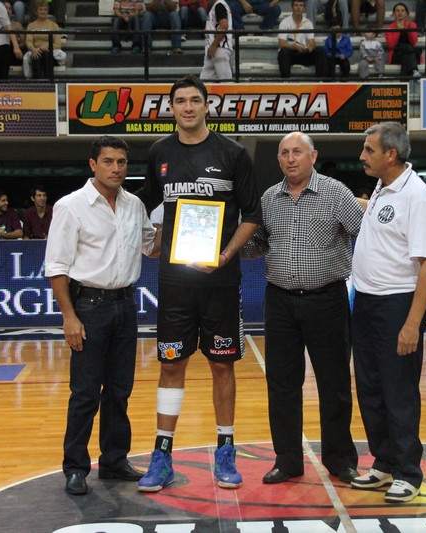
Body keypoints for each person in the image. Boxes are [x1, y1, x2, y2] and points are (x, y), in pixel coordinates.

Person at [134, 75, 262, 493]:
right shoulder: (160, 152)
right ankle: (162, 455)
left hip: (221, 279)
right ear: (171, 108)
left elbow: (252, 215)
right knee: (171, 363)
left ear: (208, 106)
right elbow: (143, 204)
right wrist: (146, 239)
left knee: (222, 364)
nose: (187, 107)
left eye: (194, 100)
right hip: (175, 281)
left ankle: (226, 451)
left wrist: (225, 256)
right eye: (180, 101)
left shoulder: (233, 153)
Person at [239, 132, 362, 486]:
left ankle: (340, 460)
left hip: (327, 300)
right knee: (281, 385)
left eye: (297, 152)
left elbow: (366, 234)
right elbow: (257, 245)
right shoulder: (268, 198)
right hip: (280, 302)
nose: (290, 158)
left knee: (334, 384)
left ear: (313, 156)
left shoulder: (336, 193)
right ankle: (288, 460)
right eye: (284, 153)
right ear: (278, 159)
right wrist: (226, 241)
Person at [44, 136, 161, 496]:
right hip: (89, 308)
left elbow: (151, 248)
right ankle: (75, 467)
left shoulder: (134, 205)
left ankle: (113, 460)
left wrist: (182, 222)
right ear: (93, 164)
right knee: (85, 393)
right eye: (108, 161)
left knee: (119, 391)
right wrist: (69, 317)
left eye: (121, 162)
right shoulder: (71, 206)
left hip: (126, 306)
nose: (116, 168)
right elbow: (57, 267)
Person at [349, 122, 426, 504]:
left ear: (391, 154)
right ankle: (384, 462)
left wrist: (412, 324)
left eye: (369, 150)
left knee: (398, 391)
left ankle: (407, 472)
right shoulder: (383, 188)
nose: (362, 156)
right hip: (366, 302)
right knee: (370, 388)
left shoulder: (416, 196)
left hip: (397, 305)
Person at [277, 0, 328, 79]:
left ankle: (322, 81)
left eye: (301, 5)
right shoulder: (285, 22)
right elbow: (282, 44)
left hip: (304, 53)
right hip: (291, 53)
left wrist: (308, 48)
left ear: (304, 8)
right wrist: (296, 47)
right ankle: (285, 81)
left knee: (321, 51)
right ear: (292, 7)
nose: (298, 7)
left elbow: (312, 43)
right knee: (283, 52)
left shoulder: (308, 23)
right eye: (296, 5)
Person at [24, 0, 65, 79]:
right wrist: (33, 49)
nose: (43, 12)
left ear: (48, 11)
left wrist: (48, 45)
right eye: (40, 9)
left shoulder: (54, 25)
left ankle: (49, 81)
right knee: (36, 55)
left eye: (45, 10)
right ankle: (37, 81)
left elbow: (58, 44)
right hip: (36, 50)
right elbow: (29, 41)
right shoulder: (31, 25)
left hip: (50, 52)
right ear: (36, 11)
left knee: (46, 55)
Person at [385, 2, 421, 79]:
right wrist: (398, 30)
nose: (400, 13)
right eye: (397, 11)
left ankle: (403, 81)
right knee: (408, 48)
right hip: (396, 54)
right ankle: (414, 70)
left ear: (406, 13)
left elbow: (414, 42)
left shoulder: (412, 25)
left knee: (406, 56)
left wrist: (409, 28)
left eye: (402, 11)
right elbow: (391, 45)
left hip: (409, 54)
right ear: (394, 14)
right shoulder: (390, 27)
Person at [200, 0, 233, 80]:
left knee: (225, 82)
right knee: (204, 82)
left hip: (219, 48)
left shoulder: (219, 5)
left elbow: (224, 25)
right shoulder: (216, 6)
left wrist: (214, 45)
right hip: (212, 50)